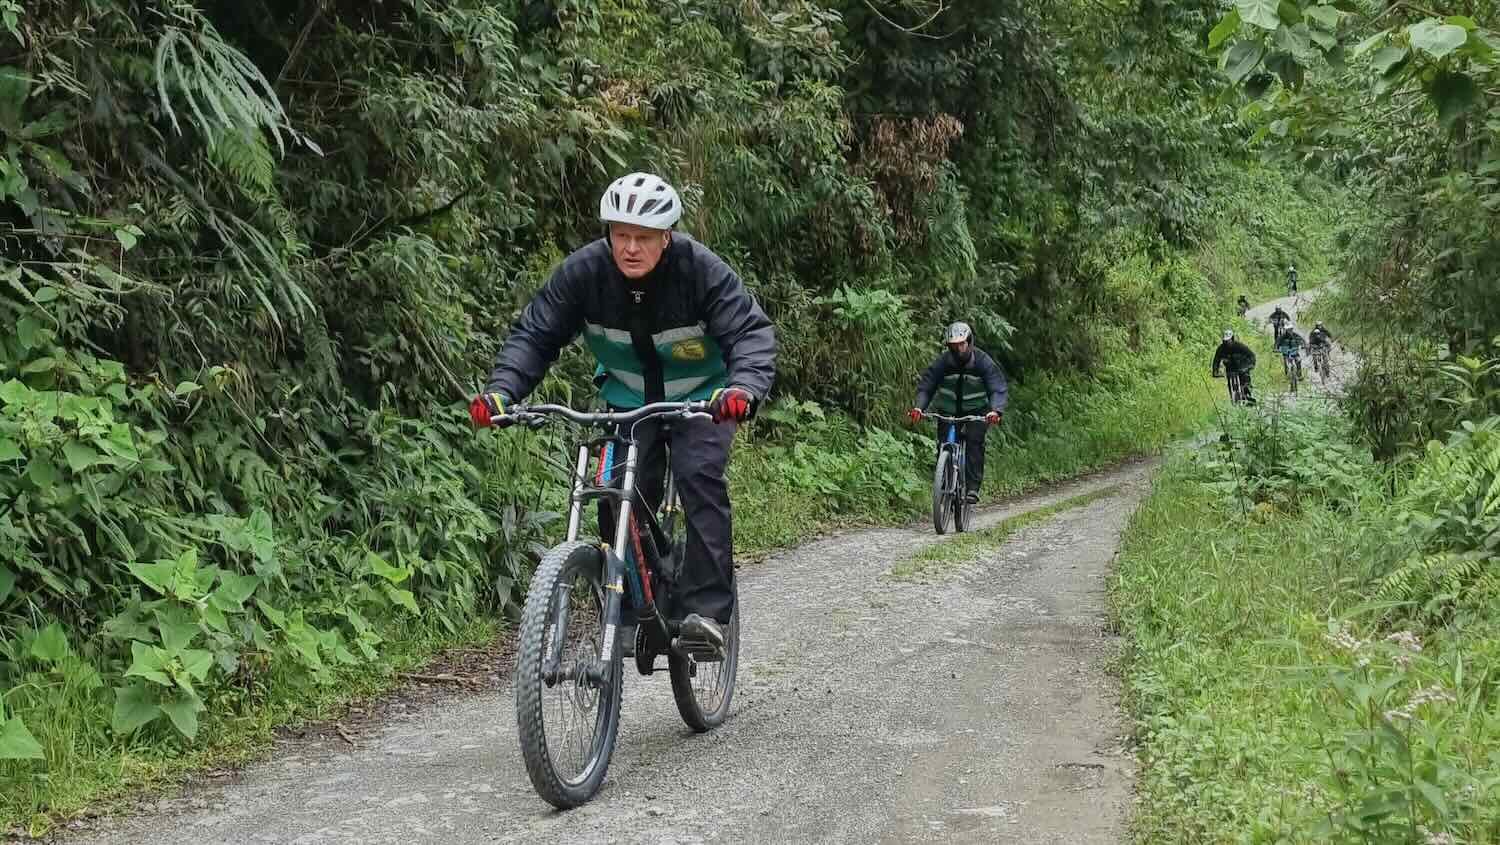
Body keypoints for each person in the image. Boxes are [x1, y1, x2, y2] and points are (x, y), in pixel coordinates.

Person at [471, 172, 776, 653]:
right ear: (608, 233)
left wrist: (743, 387)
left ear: (666, 236)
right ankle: (635, 606)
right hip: (628, 400)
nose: (631, 247)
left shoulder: (699, 270)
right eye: (621, 235)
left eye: (644, 237)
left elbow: (749, 334)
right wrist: (502, 391)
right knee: (615, 492)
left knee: (699, 477)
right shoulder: (585, 273)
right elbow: (536, 334)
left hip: (703, 398)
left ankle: (708, 613)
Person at [908, 322, 1009, 504]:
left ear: (969, 342)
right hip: (948, 410)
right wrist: (919, 408)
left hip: (977, 412)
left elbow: (997, 387)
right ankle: (944, 485)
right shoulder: (943, 362)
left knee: (974, 442)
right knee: (943, 444)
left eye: (961, 344)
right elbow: (927, 385)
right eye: (953, 346)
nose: (958, 349)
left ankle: (972, 488)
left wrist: (995, 410)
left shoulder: (983, 362)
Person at [1211, 329, 1257, 405]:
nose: (1226, 343)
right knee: (1230, 381)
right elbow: (1216, 360)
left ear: (1232, 338)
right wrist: (1215, 371)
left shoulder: (1239, 346)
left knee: (1245, 379)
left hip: (1242, 366)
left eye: (1228, 341)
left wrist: (1249, 366)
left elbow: (1251, 355)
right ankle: (1233, 399)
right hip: (1230, 368)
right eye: (1225, 341)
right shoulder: (1221, 348)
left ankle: (1248, 396)